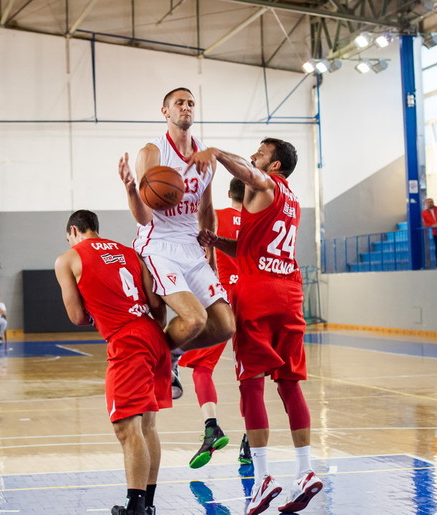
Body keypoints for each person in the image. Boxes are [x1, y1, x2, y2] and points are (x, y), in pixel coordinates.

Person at [190, 138, 323, 515]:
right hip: (289, 292)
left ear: (275, 165)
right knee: (290, 383)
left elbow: (248, 173)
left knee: (251, 384)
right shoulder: (290, 198)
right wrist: (217, 241)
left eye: (261, 153)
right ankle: (305, 470)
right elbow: (253, 247)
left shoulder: (266, 183)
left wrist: (215, 154)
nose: (253, 157)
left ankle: (262, 476)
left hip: (258, 294)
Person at [118, 87, 236, 399]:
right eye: (179, 103)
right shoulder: (152, 153)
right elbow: (144, 219)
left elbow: (206, 210)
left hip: (191, 246)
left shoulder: (205, 157)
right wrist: (132, 190)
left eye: (191, 103)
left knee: (225, 325)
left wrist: (209, 255)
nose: (186, 107)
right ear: (165, 112)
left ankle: (169, 354)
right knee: (195, 318)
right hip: (158, 244)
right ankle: (159, 359)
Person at [54, 210, 172, 515]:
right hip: (154, 335)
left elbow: (78, 317)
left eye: (69, 237)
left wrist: (101, 312)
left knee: (126, 428)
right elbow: (157, 304)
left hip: (127, 341)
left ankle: (135, 506)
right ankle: (148, 504)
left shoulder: (68, 258)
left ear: (74, 231)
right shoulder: (129, 251)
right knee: (147, 426)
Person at [178, 178, 248, 468]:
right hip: (253, 297)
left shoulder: (215, 219)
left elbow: (197, 258)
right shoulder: (259, 222)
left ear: (229, 193)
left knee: (201, 368)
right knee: (251, 376)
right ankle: (250, 440)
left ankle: (212, 427)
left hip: (220, 299)